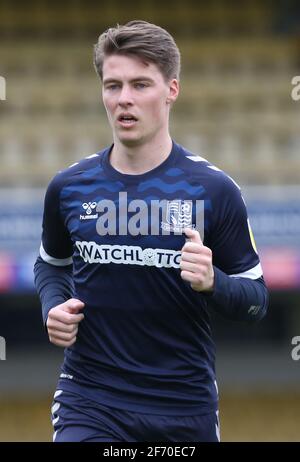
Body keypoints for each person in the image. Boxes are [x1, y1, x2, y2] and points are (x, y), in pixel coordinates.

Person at [34, 20, 269, 442]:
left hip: (183, 408)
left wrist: (214, 282)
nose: (124, 99)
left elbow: (257, 302)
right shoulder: (68, 187)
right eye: (113, 85)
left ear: (172, 90)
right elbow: (51, 264)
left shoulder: (214, 191)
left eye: (140, 85)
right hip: (90, 401)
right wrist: (53, 305)